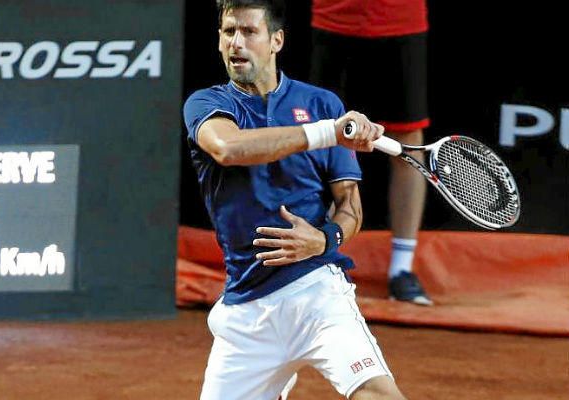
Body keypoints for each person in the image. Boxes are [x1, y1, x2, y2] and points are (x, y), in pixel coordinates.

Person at [183, 0, 407, 399]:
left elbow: (350, 208)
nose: (236, 43)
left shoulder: (322, 105)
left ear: (276, 41)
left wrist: (324, 240)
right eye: (229, 32)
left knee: (377, 393)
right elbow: (228, 148)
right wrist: (327, 133)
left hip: (316, 294)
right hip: (246, 315)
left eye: (249, 32)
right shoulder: (207, 104)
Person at [309, 0, 433, 306]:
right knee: (324, 136)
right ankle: (316, 260)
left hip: (401, 19)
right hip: (333, 18)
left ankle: (401, 269)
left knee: (408, 139)